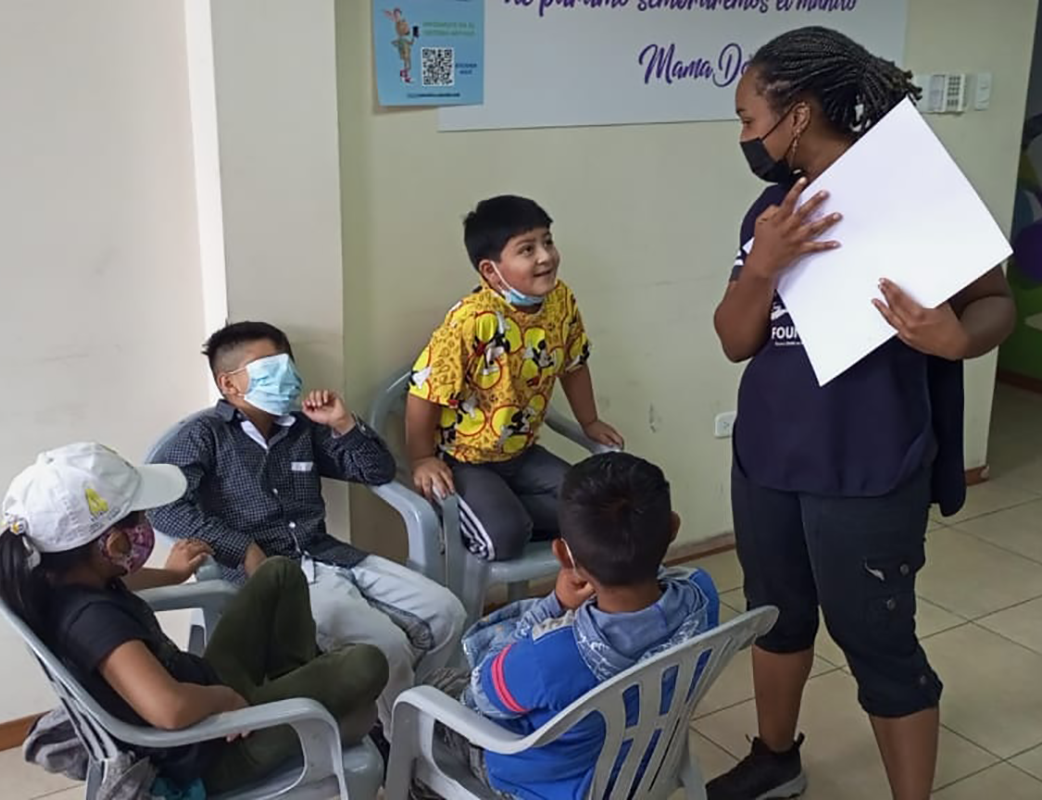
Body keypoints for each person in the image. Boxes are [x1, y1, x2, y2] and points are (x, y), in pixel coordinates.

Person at [708, 27, 1016, 800]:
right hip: (768, 460)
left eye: (750, 120)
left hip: (869, 465)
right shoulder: (769, 211)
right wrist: (765, 267)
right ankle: (775, 756)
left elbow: (997, 306)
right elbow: (734, 341)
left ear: (799, 114)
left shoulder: (916, 198)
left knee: (877, 639)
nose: (745, 137)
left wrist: (953, 338)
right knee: (776, 618)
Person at [0, 442, 388, 795]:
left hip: (205, 689)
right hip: (209, 753)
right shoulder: (93, 621)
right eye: (139, 518)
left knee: (278, 572)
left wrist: (174, 574)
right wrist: (227, 699)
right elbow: (170, 710)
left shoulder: (65, 580)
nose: (147, 524)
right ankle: (292, 713)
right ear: (112, 542)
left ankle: (293, 706)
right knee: (367, 663)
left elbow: (127, 579)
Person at [148, 321, 466, 743]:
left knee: (448, 611)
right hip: (278, 580)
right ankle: (404, 751)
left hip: (331, 555)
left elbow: (377, 470)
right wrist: (241, 547)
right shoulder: (204, 436)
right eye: (267, 367)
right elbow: (162, 504)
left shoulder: (301, 428)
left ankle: (402, 714)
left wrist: (343, 424)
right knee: (386, 644)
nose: (284, 375)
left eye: (287, 364)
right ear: (229, 383)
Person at [417, 452, 721, 800]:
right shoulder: (703, 593)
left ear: (564, 556)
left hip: (548, 784)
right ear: (673, 528)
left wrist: (554, 604)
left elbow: (481, 696)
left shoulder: (553, 655)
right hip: (646, 764)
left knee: (430, 693)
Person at [406, 194, 624, 563]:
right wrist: (422, 458)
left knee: (596, 510)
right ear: (491, 271)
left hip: (521, 452)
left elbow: (574, 362)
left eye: (548, 241)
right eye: (527, 249)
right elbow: (424, 392)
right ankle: (493, 519)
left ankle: (506, 513)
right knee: (502, 541)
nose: (545, 256)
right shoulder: (472, 320)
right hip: (466, 458)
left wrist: (589, 420)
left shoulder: (561, 301)